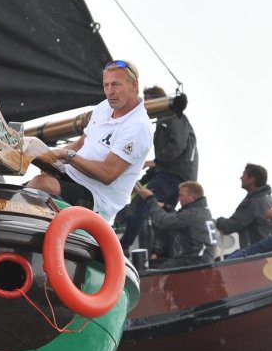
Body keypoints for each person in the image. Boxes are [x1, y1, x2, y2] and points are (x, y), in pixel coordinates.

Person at [26, 60, 153, 223]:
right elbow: (80, 144)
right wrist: (52, 162)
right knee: (8, 191)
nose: (110, 92)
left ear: (134, 86)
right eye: (106, 85)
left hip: (97, 199)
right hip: (71, 178)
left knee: (40, 184)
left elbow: (107, 174)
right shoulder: (104, 107)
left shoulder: (139, 127)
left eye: (116, 85)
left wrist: (67, 156)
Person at [119, 85, 198, 251]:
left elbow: (176, 147)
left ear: (157, 101)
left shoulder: (172, 116)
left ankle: (122, 247)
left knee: (142, 202)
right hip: (174, 176)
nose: (144, 105)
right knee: (161, 214)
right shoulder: (168, 119)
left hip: (174, 176)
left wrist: (155, 162)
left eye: (146, 101)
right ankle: (161, 253)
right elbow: (164, 161)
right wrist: (143, 179)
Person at [135, 180, 217, 269]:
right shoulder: (203, 211)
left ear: (192, 197)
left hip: (194, 263)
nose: (178, 199)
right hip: (201, 260)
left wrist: (150, 199)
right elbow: (179, 219)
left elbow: (162, 221)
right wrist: (167, 207)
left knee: (152, 269)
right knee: (153, 263)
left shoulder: (191, 214)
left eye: (181, 195)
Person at [215, 163, 272, 248]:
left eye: (244, 175)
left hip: (256, 254)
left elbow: (230, 226)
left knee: (223, 260)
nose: (241, 178)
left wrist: (218, 221)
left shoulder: (254, 202)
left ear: (252, 179)